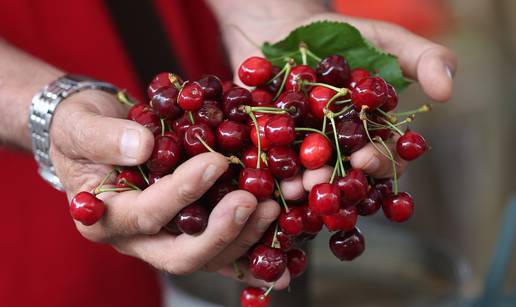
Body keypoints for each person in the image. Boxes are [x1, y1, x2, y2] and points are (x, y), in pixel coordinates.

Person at [0, 0, 457, 306]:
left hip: (201, 72)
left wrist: (272, 11)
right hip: (26, 195)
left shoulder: (233, 113)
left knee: (238, 208)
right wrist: (41, 108)